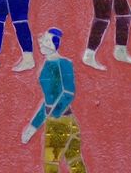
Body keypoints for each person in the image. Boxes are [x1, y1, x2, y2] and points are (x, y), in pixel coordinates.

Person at [21, 29, 87, 173]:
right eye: (43, 40)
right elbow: (48, 101)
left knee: (52, 165)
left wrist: (54, 114)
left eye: (47, 41)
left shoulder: (64, 63)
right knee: (75, 162)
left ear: (55, 44)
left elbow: (68, 93)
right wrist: (33, 126)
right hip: (65, 120)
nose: (42, 44)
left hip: (60, 122)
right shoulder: (46, 65)